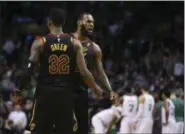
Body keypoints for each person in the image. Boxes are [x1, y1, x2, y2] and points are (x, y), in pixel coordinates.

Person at [17, 8, 103, 134]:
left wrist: (19, 89)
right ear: (63, 23)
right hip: (65, 95)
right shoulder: (75, 43)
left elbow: (29, 69)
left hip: (44, 94)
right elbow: (84, 72)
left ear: (49, 22)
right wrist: (95, 87)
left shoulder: (40, 43)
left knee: (36, 130)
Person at [71, 13, 118, 134]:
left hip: (81, 93)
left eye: (92, 22)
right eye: (88, 21)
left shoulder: (95, 48)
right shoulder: (66, 40)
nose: (91, 24)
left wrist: (110, 90)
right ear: (79, 23)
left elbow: (100, 73)